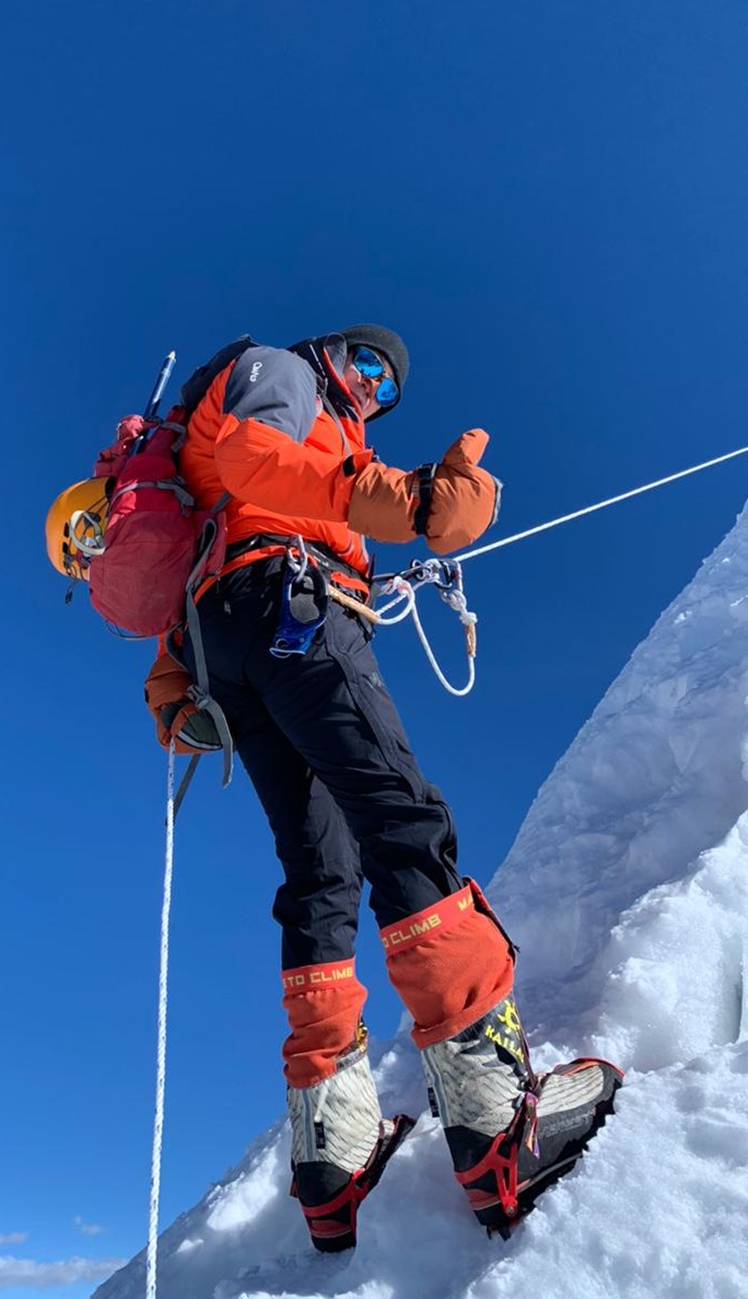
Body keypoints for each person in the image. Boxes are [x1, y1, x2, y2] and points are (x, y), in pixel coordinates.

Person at [146, 326, 621, 1252]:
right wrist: (405, 502)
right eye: (364, 365)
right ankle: (497, 1127)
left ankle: (333, 1157)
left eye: (387, 385)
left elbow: (229, 521)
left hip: (233, 646)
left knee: (320, 873)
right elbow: (255, 462)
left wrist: (179, 675)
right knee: (404, 822)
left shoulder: (320, 436)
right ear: (328, 353)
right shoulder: (280, 373)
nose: (372, 386)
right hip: (295, 611)